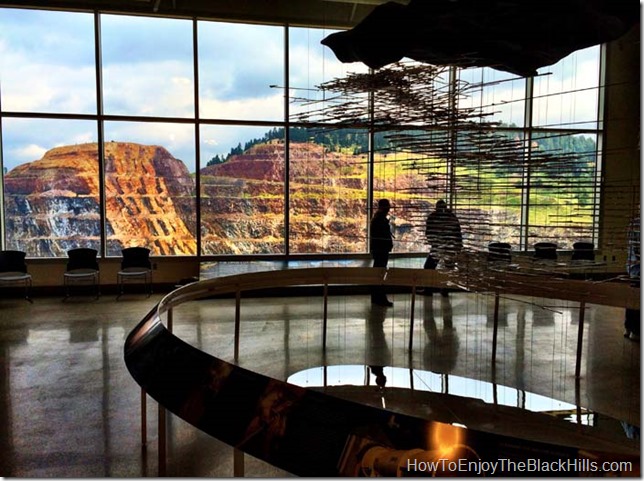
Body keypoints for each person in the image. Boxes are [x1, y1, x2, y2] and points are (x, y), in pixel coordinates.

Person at [423, 199, 463, 296]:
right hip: (449, 247)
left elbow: (429, 232)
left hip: (439, 246)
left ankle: (429, 290)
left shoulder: (433, 217)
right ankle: (444, 290)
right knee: (448, 268)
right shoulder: (451, 217)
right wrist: (458, 246)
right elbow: (458, 232)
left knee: (429, 267)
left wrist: (434, 242)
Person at [370, 199, 394, 307]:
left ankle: (377, 297)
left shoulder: (378, 218)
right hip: (381, 251)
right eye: (387, 206)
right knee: (380, 273)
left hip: (379, 250)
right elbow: (382, 236)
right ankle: (380, 297)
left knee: (378, 273)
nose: (389, 208)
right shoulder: (379, 220)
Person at [624, 211, 640, 341]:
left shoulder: (634, 223)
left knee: (632, 299)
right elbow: (637, 250)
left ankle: (629, 328)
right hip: (638, 269)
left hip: (634, 269)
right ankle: (635, 330)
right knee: (637, 301)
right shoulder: (637, 225)